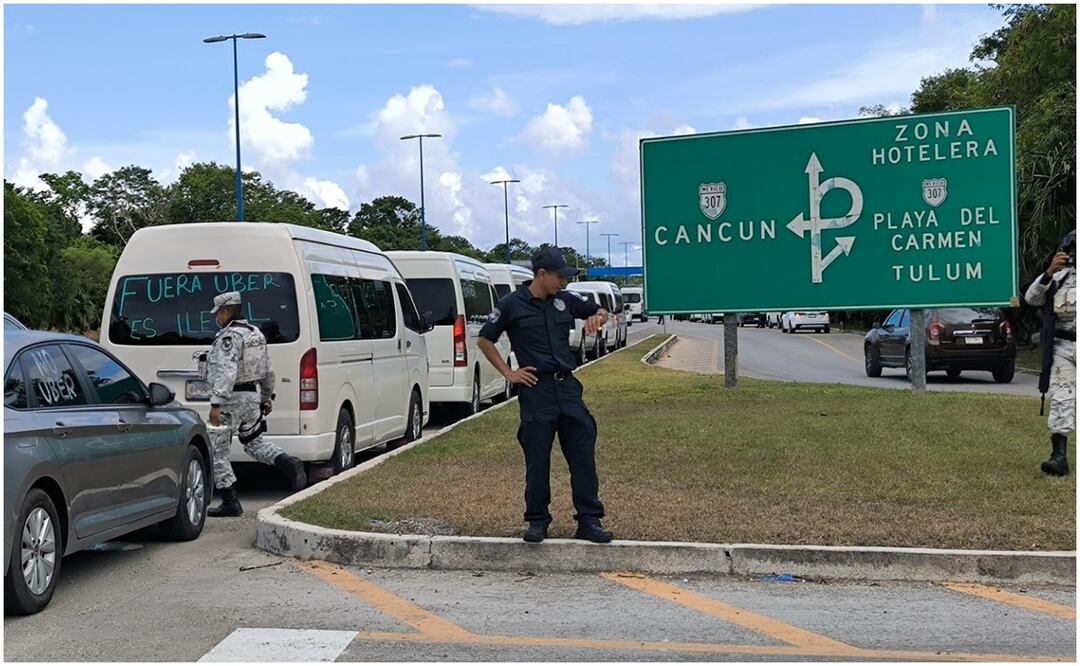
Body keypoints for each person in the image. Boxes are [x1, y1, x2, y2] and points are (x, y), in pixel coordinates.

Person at [477, 248, 614, 543]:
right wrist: (509, 373)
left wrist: (598, 318)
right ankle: (537, 521)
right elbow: (484, 339)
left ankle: (589, 521)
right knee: (537, 458)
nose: (564, 283)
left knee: (582, 454)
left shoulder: (565, 301)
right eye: (560, 277)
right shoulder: (511, 304)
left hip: (567, 388)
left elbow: (600, 311)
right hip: (536, 390)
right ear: (542, 274)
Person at [204, 291, 307, 517]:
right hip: (252, 398)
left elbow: (227, 372)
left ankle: (230, 501)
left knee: (216, 451)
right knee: (254, 443)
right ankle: (288, 462)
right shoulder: (256, 334)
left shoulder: (229, 338)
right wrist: (266, 397)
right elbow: (267, 371)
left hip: (231, 400)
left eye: (218, 313)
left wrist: (216, 403)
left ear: (227, 311)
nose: (216, 318)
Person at [1025, 230, 1076, 476]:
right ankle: (1059, 457)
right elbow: (1032, 298)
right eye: (1071, 250)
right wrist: (1049, 272)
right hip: (1063, 347)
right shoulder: (1057, 277)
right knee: (1061, 398)